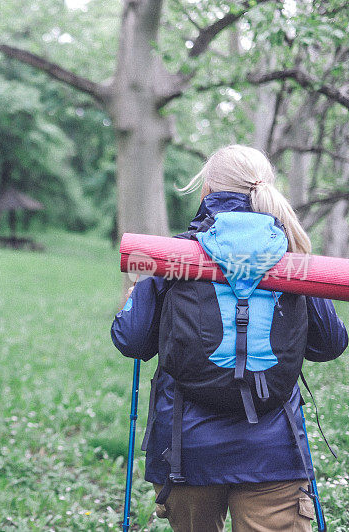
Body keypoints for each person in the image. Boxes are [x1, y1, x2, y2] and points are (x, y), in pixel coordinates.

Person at [111, 145, 347, 531]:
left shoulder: (174, 257)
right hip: (275, 454)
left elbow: (131, 341)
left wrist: (138, 289)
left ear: (206, 190)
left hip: (187, 452)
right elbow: (330, 344)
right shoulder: (293, 260)